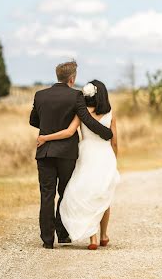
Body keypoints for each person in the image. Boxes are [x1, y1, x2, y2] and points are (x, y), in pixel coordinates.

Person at [29, 61, 113, 249]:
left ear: (58, 76)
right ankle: (63, 234)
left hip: (44, 151)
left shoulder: (40, 95)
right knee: (65, 192)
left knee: (46, 195)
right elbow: (86, 120)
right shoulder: (76, 96)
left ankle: (47, 240)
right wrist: (106, 133)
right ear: (72, 78)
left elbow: (33, 120)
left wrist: (48, 128)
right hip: (67, 152)